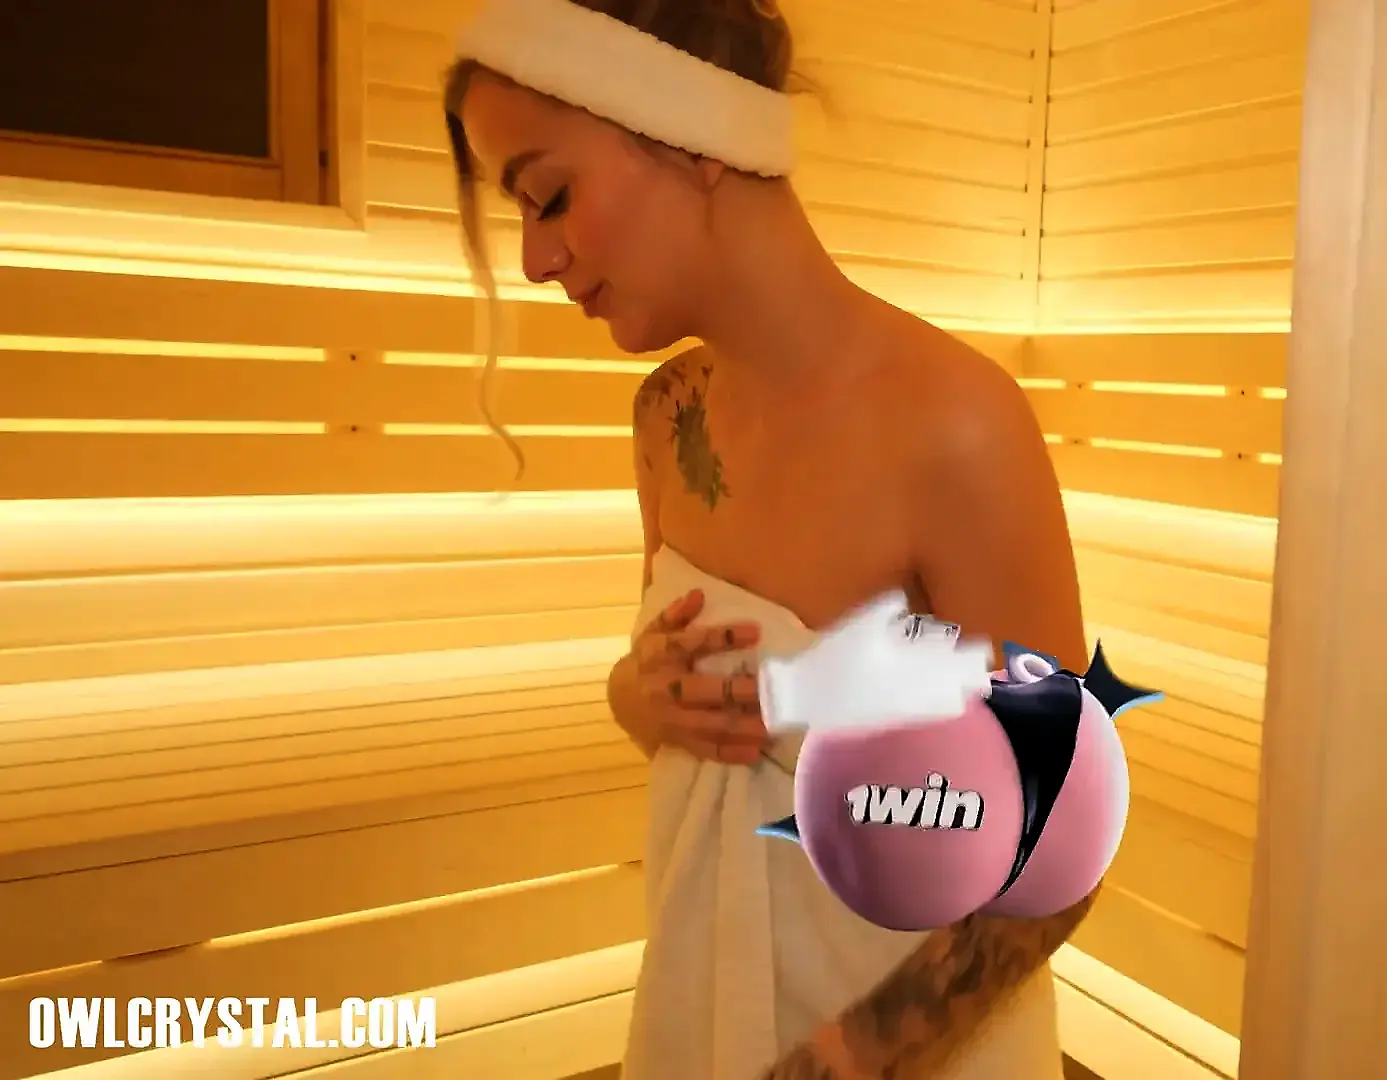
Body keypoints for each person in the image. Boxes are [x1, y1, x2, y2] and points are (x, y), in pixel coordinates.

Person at [442, 1, 1095, 1077]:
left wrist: (841, 1061)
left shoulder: (957, 427)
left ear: (693, 134)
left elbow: (1057, 848)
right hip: (709, 1011)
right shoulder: (667, 420)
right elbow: (699, 727)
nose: (534, 260)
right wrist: (635, 696)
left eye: (549, 196)